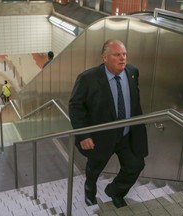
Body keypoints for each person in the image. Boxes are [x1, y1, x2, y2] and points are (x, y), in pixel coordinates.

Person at [68, 39, 148, 208]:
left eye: (124, 54)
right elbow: (75, 106)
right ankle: (90, 190)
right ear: (105, 57)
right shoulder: (87, 78)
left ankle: (115, 191)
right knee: (94, 169)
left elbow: (134, 102)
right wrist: (83, 135)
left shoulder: (132, 72)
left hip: (127, 134)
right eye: (117, 54)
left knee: (136, 165)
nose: (122, 58)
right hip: (101, 137)